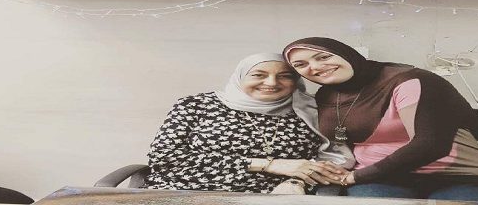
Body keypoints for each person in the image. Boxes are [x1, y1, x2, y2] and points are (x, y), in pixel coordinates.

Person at [283, 37, 478, 202]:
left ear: (346, 54)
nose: (315, 67)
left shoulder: (412, 81)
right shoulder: (325, 94)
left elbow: (430, 145)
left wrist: (355, 176)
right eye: (301, 65)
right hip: (381, 179)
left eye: (323, 57)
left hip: (466, 175)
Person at [145, 53, 354, 194]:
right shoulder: (196, 105)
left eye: (284, 76)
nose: (271, 83)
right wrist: (270, 164)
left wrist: (297, 181)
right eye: (258, 75)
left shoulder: (312, 109)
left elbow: (331, 160)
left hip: (274, 196)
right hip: (184, 191)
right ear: (240, 77)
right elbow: (164, 157)